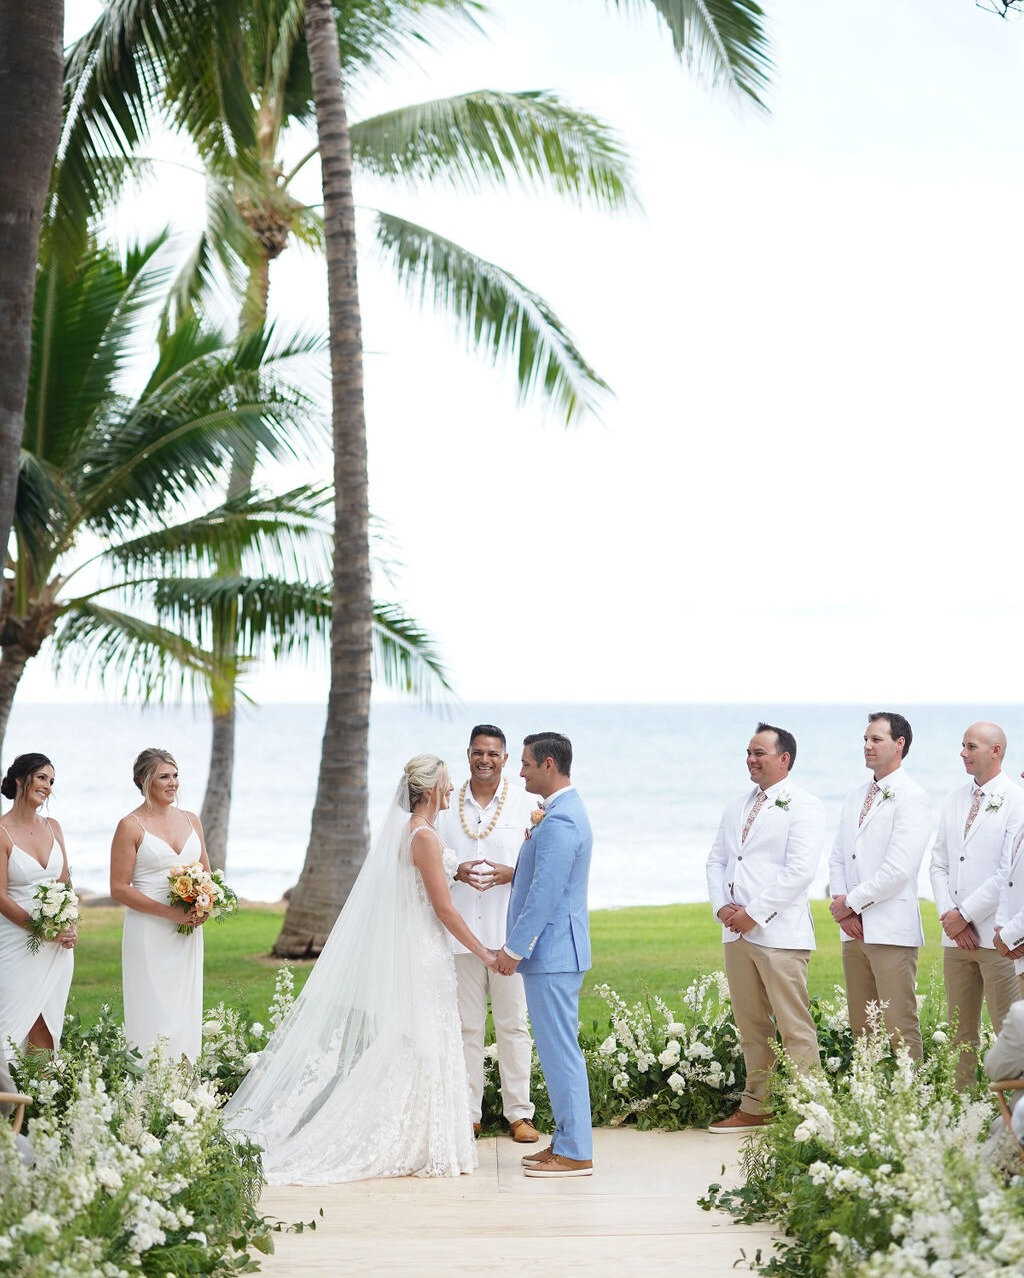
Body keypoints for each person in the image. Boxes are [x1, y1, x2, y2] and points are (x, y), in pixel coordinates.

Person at [223, 754, 501, 1184]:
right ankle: (414, 1139)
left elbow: (426, 885)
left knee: (422, 1037)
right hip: (426, 950)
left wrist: (456, 871)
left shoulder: (418, 833)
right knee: (425, 1039)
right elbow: (444, 911)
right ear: (429, 790)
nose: (451, 789)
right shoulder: (424, 837)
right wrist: (484, 952)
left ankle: (425, 1135)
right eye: (446, 783)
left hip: (423, 947)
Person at [705, 723, 825, 1132]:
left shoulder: (805, 805)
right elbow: (717, 860)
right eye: (749, 752)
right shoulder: (736, 805)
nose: (751, 760)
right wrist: (722, 906)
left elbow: (799, 872)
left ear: (783, 758)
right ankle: (758, 1107)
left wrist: (754, 913)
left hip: (779, 934)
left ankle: (814, 1113)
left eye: (760, 753)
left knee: (794, 1027)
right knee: (751, 1025)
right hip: (735, 932)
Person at [496, 732, 593, 1179]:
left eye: (526, 764)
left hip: (553, 952)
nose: (520, 772)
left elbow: (545, 893)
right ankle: (567, 1142)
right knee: (556, 1051)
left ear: (548, 764)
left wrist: (514, 948)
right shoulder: (558, 814)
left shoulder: (561, 821)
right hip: (553, 952)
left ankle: (575, 1152)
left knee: (560, 1052)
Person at [436, 724, 540, 1144]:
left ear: (505, 759)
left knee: (514, 1026)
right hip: (460, 935)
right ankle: (468, 1113)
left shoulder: (527, 805)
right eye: (478, 752)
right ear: (467, 754)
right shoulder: (447, 806)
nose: (485, 759)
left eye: (493, 753)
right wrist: (452, 869)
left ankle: (519, 1114)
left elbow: (540, 866)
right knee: (466, 1027)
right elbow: (425, 854)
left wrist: (512, 874)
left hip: (507, 935)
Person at [829, 711, 931, 1060]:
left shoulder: (912, 796)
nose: (867, 746)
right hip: (853, 931)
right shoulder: (855, 796)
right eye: (865, 739)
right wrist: (843, 911)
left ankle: (911, 1102)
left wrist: (851, 903)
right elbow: (838, 858)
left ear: (899, 744)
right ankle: (867, 1103)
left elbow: (899, 869)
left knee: (899, 1024)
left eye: (876, 739)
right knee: (862, 1025)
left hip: (890, 930)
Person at [929, 722, 1023, 1088]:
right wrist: (949, 917)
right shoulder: (953, 798)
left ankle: (1010, 1112)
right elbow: (938, 861)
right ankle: (960, 1103)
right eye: (963, 745)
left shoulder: (1017, 800)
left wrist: (966, 915)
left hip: (996, 938)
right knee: (958, 1032)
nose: (963, 753)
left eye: (971, 746)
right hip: (956, 940)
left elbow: (1008, 871)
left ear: (995, 750)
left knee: (1006, 1029)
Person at [110, 748, 210, 1063]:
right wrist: (169, 913)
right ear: (144, 781)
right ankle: (147, 1089)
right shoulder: (131, 825)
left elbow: (207, 873)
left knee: (185, 1005)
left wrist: (204, 905)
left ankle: (185, 1086)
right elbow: (118, 887)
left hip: (187, 933)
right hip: (148, 931)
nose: (173, 783)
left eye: (175, 775)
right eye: (163, 777)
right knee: (152, 1006)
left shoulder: (191, 820)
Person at [0, 753, 76, 1052]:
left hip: (57, 945)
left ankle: (41, 1096)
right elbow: (0, 896)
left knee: (47, 1022)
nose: (47, 786)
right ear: (20, 779)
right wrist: (40, 929)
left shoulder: (53, 826)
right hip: (17, 941)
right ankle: (8, 1093)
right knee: (16, 1020)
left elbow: (66, 882)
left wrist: (70, 925)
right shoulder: (2, 831)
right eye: (42, 777)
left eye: (52, 781)